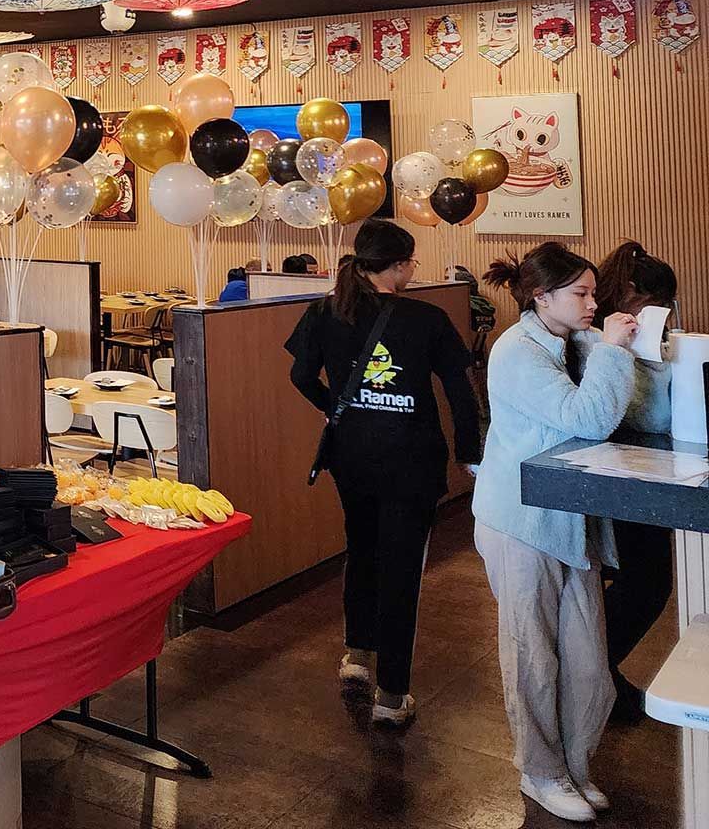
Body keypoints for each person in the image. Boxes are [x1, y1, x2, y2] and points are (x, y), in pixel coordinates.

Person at [475, 245, 670, 822]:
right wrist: (613, 350)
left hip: (571, 516)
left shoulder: (572, 343)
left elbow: (644, 414)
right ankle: (540, 771)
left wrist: (633, 351)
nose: (593, 302)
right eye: (581, 294)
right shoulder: (516, 351)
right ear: (541, 296)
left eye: (591, 292)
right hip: (520, 518)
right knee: (532, 653)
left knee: (586, 658)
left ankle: (574, 767)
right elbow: (587, 418)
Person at [285, 220, 481, 729]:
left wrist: (336, 409)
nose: (412, 271)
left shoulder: (325, 311)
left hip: (351, 457)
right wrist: (470, 451)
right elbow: (460, 390)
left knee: (363, 550)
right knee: (401, 569)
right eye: (411, 263)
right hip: (411, 461)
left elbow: (300, 375)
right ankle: (391, 695)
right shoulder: (427, 319)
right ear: (396, 266)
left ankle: (357, 656)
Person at [591, 241, 681, 721]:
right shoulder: (602, 343)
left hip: (627, 471)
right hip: (616, 473)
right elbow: (647, 413)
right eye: (658, 303)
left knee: (639, 582)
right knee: (646, 584)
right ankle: (596, 673)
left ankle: (598, 673)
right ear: (630, 295)